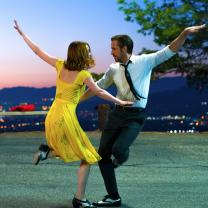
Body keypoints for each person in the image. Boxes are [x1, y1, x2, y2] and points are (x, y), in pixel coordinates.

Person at [80, 24, 206, 207]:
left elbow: (169, 50)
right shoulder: (113, 69)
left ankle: (121, 158)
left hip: (135, 116)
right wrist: (75, 101)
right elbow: (97, 86)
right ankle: (113, 196)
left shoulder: (145, 61)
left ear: (124, 48)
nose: (111, 52)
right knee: (103, 155)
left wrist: (184, 33)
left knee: (119, 150)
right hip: (116, 115)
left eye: (114, 48)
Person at [14, 20, 133, 208]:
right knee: (87, 156)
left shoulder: (60, 65)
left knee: (69, 150)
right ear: (82, 54)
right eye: (88, 50)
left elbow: (37, 51)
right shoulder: (83, 75)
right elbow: (99, 92)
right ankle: (79, 199)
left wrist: (22, 34)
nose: (91, 53)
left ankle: (47, 152)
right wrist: (120, 101)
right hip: (66, 117)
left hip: (52, 115)